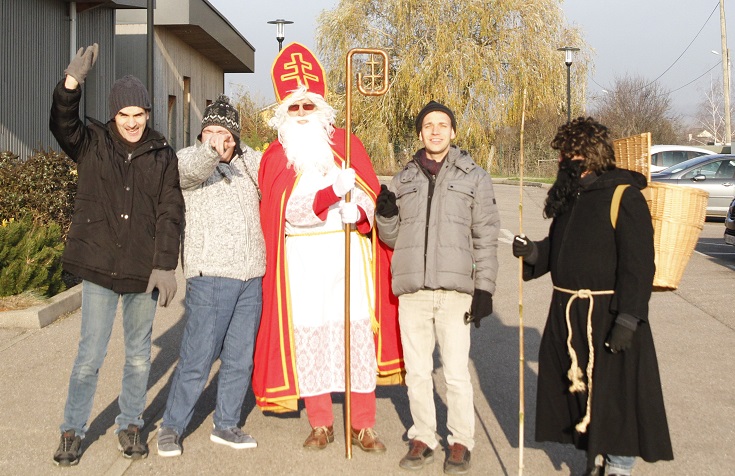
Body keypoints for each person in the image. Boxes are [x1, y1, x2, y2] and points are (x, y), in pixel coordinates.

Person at [252, 42, 403, 453]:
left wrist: (361, 213)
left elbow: (373, 196)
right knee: (310, 339)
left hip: (345, 256)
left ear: (321, 108)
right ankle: (321, 423)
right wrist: (326, 196)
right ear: (284, 113)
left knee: (355, 336)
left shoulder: (347, 145)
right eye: (295, 108)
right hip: (301, 263)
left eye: (308, 106)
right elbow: (285, 210)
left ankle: (364, 425)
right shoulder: (275, 156)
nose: (302, 114)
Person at [512, 117, 673, 475]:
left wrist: (629, 318)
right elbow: (561, 248)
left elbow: (639, 264)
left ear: (588, 154)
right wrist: (534, 253)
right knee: (582, 390)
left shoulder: (623, 196)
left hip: (610, 313)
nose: (560, 161)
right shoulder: (573, 196)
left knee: (615, 393)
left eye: (567, 154)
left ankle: (618, 466)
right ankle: (595, 457)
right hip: (569, 312)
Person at [49, 44, 184, 466]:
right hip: (99, 269)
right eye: (123, 115)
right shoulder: (91, 144)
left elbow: (170, 211)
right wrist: (71, 83)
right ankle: (72, 430)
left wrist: (164, 265)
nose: (131, 122)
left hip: (142, 272)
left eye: (138, 114)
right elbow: (62, 123)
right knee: (89, 356)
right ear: (113, 116)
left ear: (147, 114)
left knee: (140, 355)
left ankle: (130, 424)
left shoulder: (162, 155)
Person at [375, 100, 500, 474]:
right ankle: (424, 437)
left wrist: (486, 289)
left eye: (442, 125)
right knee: (416, 371)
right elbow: (393, 239)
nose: (435, 131)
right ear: (419, 133)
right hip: (413, 290)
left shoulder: (474, 177)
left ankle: (461, 440)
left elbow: (486, 236)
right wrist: (385, 215)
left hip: (455, 291)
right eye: (428, 125)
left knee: (457, 372)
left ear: (453, 132)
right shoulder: (404, 179)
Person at [155, 95, 265, 457]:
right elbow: (190, 170)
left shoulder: (249, 162)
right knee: (198, 356)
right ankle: (171, 427)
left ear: (235, 134)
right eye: (210, 130)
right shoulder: (189, 159)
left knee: (239, 358)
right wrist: (210, 150)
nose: (216, 137)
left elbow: (274, 181)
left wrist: (245, 153)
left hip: (251, 277)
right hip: (211, 275)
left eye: (224, 131)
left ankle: (227, 424)